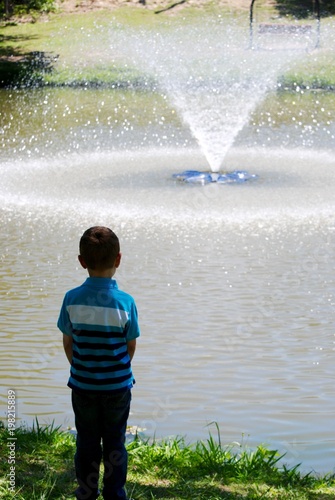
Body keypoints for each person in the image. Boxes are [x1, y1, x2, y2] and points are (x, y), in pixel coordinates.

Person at [57, 226, 140, 500]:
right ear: (118, 259)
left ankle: (87, 491)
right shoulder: (125, 303)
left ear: (81, 261)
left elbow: (68, 342)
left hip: (83, 385)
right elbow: (130, 345)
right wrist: (115, 369)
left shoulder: (71, 299)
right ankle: (115, 493)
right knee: (115, 441)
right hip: (117, 387)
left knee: (87, 441)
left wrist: (82, 367)